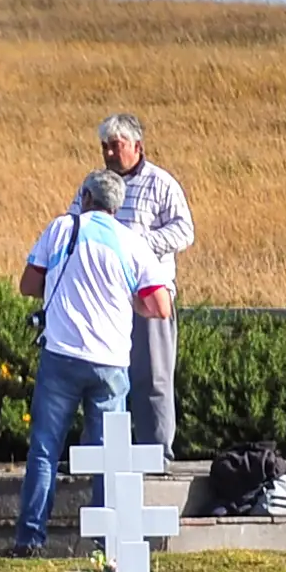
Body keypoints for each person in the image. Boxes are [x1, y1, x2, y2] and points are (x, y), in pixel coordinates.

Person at [14, 171, 172, 553]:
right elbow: (160, 306)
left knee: (45, 450)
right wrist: (129, 302)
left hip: (61, 356)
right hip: (111, 363)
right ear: (118, 206)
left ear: (84, 196)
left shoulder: (60, 230)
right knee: (108, 454)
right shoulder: (131, 242)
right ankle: (107, 540)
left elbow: (28, 285)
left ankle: (30, 538)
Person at [70, 114, 194, 447]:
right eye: (104, 147)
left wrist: (139, 242)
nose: (109, 153)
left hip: (149, 296)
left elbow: (185, 231)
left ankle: (157, 455)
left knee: (152, 378)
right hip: (105, 298)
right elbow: (73, 226)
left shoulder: (161, 183)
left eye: (116, 146)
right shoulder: (92, 185)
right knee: (104, 376)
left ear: (137, 146)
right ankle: (103, 452)